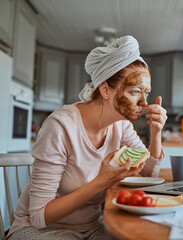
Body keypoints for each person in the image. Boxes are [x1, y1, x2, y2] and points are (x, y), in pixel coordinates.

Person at [7, 36, 167, 239]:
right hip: (37, 230)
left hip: (91, 228)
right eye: (135, 91)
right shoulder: (60, 126)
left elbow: (148, 176)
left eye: (147, 93)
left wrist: (156, 133)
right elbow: (39, 216)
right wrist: (101, 181)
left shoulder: (121, 125)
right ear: (105, 89)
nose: (144, 102)